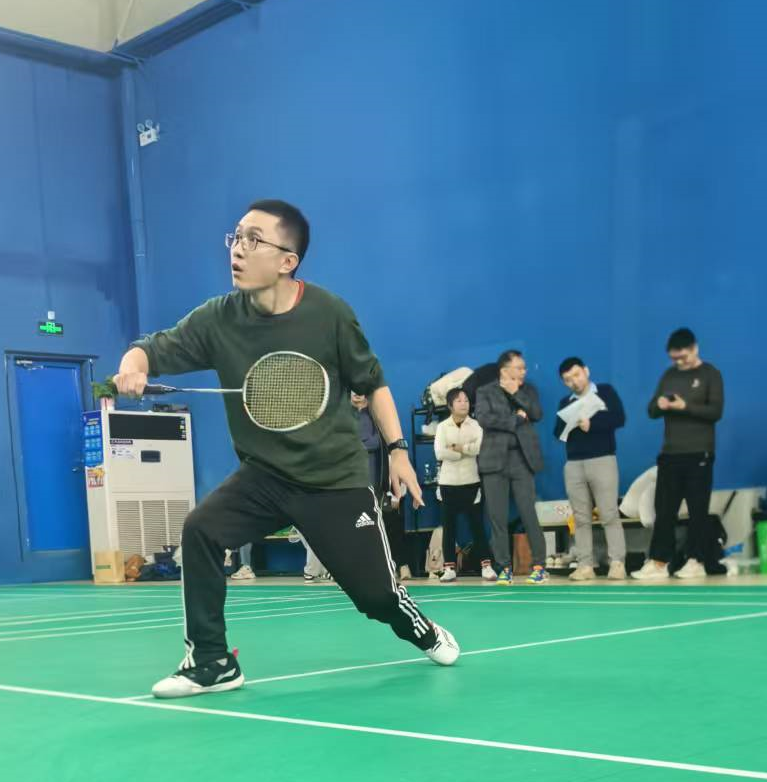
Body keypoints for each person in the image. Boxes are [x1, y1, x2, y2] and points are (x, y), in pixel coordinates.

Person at [113, 199, 458, 698]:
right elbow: (152, 347)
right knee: (201, 530)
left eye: (253, 240)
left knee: (376, 597)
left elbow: (373, 382)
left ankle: (421, 630)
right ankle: (211, 661)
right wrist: (133, 366)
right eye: (235, 237)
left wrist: (399, 451)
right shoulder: (218, 318)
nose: (237, 249)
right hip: (265, 476)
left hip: (333, 480)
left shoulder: (328, 313)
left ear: (287, 260)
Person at [632, 328, 724, 580]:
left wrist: (685, 406)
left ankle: (696, 560)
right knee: (664, 510)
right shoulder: (669, 375)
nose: (679, 362)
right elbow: (651, 410)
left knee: (697, 510)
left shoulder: (710, 374)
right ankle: (659, 562)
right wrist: (660, 405)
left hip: (699, 452)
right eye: (674, 358)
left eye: (683, 357)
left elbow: (715, 411)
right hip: (670, 453)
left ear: (695, 349)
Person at [475, 350, 549, 585]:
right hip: (493, 461)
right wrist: (516, 419)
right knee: (497, 517)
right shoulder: (485, 391)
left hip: (521, 459)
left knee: (528, 513)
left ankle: (539, 566)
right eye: (519, 367)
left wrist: (516, 393)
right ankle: (504, 567)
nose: (523, 371)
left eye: (524, 368)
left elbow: (536, 413)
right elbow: (484, 419)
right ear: (504, 370)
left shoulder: (528, 390)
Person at [553, 357, 627, 581]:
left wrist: (591, 424)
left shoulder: (605, 392)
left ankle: (617, 563)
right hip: (574, 463)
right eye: (568, 379)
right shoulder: (565, 402)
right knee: (580, 518)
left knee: (609, 514)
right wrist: (571, 423)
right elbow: (557, 431)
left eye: (576, 375)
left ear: (586, 371)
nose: (574, 382)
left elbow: (619, 418)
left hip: (602, 458)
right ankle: (585, 564)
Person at [434, 388, 491, 582]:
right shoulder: (442, 427)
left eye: (466, 400)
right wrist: (464, 452)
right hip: (448, 483)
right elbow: (440, 453)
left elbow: (479, 448)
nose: (464, 404)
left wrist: (458, 448)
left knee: (477, 526)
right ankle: (449, 568)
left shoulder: (475, 425)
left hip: (471, 482)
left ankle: (486, 566)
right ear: (450, 405)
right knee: (449, 528)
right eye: (459, 401)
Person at [353, 392, 412, 581]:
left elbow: (381, 445)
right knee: (360, 529)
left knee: (390, 526)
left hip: (381, 485)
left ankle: (399, 565)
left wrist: (395, 491)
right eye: (353, 391)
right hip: (353, 485)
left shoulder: (380, 418)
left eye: (361, 391)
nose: (357, 395)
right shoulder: (345, 417)